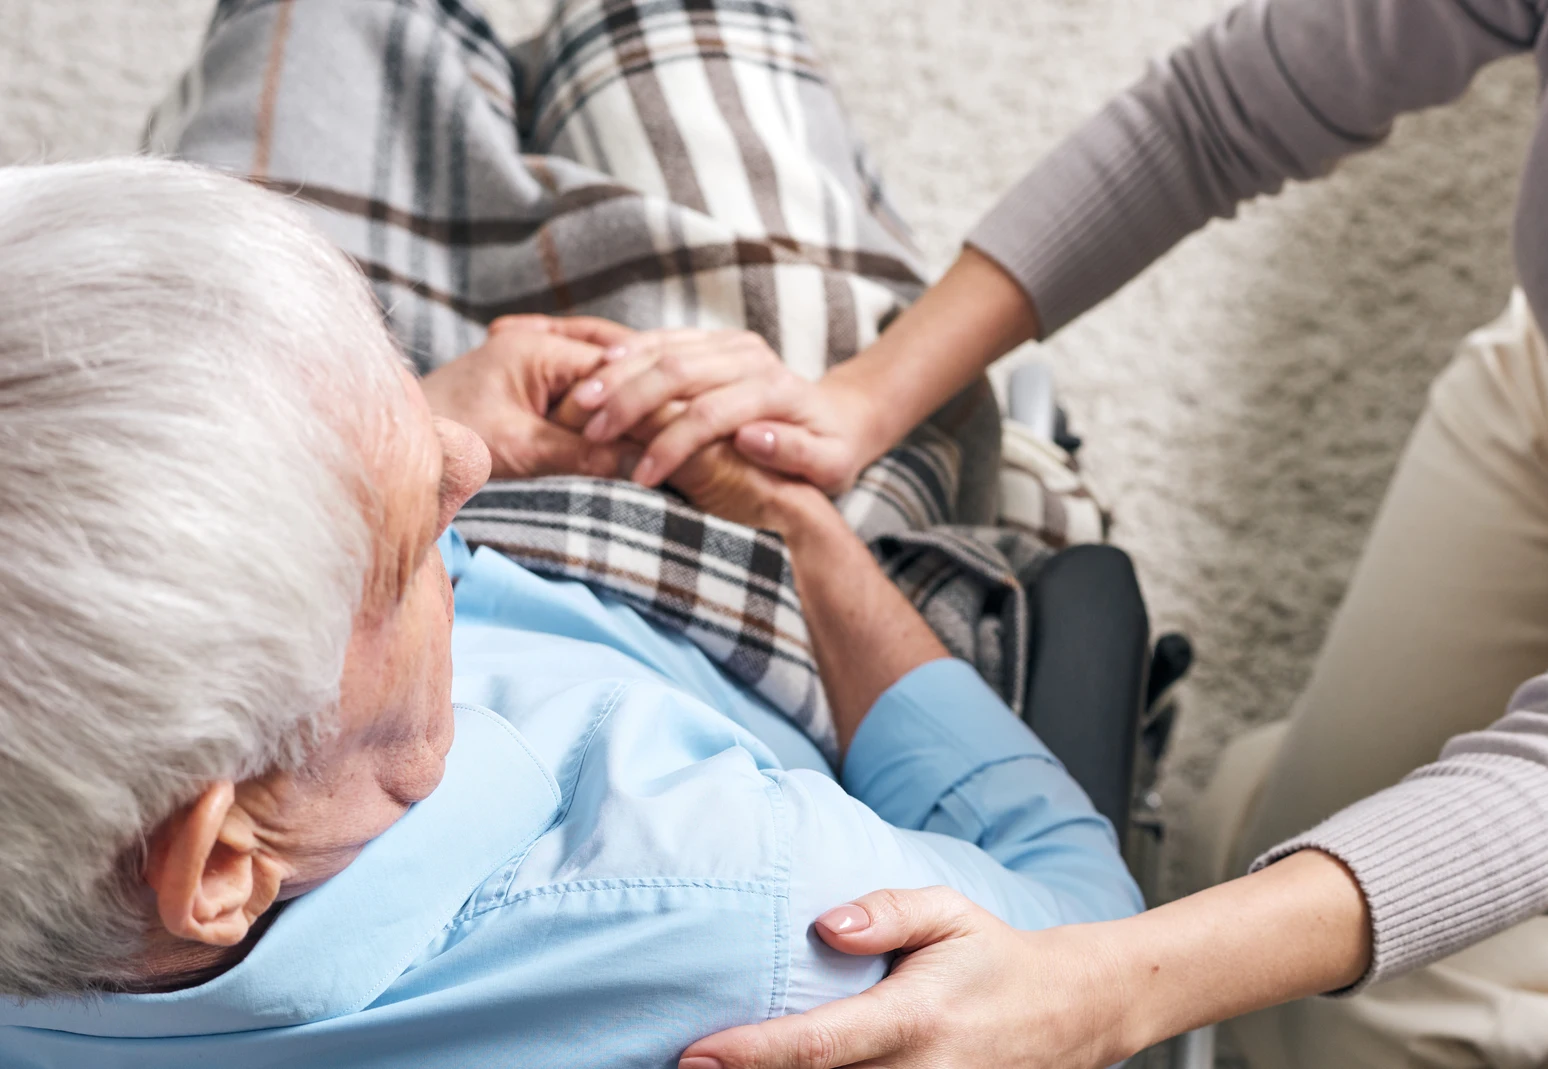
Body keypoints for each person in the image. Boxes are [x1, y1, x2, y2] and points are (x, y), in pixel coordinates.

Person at [607, 0, 1548, 1063]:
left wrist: (1119, 986)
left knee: (1360, 1015)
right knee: (1242, 849)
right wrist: (858, 400)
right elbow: (1221, 113)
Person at [0, 157, 1140, 1067]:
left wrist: (377, 435)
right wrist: (807, 534)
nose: (471, 459)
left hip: (431, 583)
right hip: (754, 620)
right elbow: (1089, 931)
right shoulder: (754, 914)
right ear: (218, 865)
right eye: (404, 560)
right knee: (777, 236)